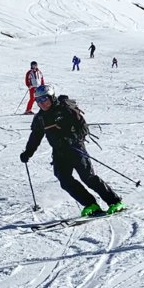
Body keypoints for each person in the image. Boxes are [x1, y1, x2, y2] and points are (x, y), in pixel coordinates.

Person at [20, 85, 123, 218]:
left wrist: (72, 139)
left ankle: (115, 202)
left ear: (51, 97)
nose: (42, 103)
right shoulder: (40, 118)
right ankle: (90, 204)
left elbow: (83, 128)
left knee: (88, 177)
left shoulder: (65, 110)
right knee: (64, 180)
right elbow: (35, 137)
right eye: (38, 101)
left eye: (44, 99)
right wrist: (28, 153)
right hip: (59, 152)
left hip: (75, 148)